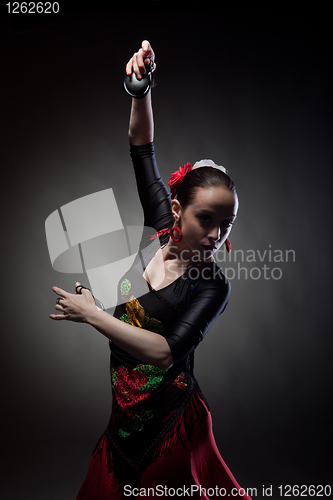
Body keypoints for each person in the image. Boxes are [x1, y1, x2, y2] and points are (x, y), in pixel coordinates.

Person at [50, 40, 250, 500]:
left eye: (227, 225)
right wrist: (139, 88)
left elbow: (164, 353)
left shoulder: (213, 285)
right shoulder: (161, 225)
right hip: (123, 418)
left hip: (171, 428)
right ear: (176, 211)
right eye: (206, 220)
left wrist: (95, 316)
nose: (217, 235)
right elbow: (142, 148)